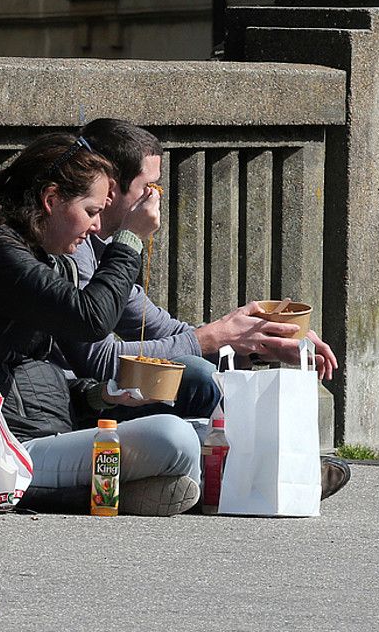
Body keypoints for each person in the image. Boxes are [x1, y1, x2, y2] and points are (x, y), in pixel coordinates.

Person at [0, 132, 201, 515]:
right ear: (51, 200)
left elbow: (41, 374)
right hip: (2, 450)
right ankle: (95, 494)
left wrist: (102, 395)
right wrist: (130, 240)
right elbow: (91, 318)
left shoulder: (37, 254)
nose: (98, 227)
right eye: (90, 211)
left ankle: (118, 492)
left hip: (47, 430)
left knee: (205, 432)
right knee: (175, 437)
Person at [63, 118, 350, 496]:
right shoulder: (73, 247)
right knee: (195, 373)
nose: (155, 199)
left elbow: (160, 328)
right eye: (149, 187)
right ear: (111, 190)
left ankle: (262, 467)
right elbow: (98, 360)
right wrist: (214, 336)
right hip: (75, 399)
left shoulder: (101, 249)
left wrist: (257, 339)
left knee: (200, 369)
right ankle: (256, 471)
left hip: (100, 394)